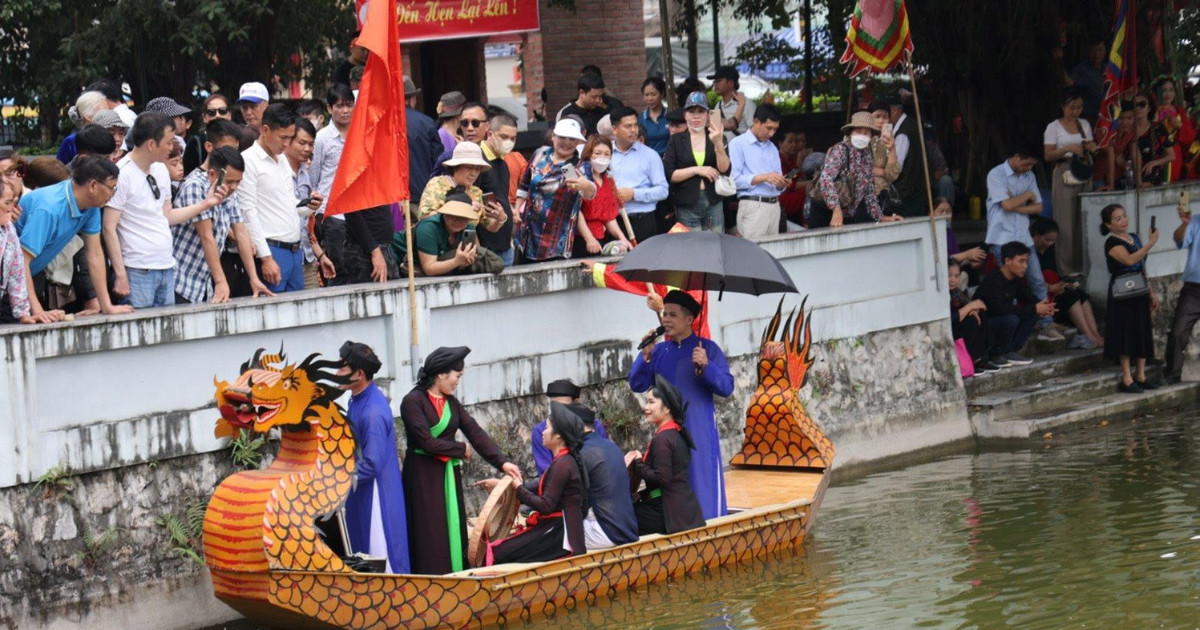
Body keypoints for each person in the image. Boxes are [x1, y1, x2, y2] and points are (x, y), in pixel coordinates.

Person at [400, 346, 522, 574]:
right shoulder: (412, 402)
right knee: (430, 530)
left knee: (452, 526)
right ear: (440, 374)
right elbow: (426, 442)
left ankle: (456, 571)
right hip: (423, 476)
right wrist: (460, 448)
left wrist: (503, 463)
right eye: (457, 376)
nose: (457, 381)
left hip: (447, 473)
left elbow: (476, 434)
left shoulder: (451, 403)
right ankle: (432, 577)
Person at [104, 112, 226, 308]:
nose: (172, 147)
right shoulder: (122, 174)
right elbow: (109, 227)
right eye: (169, 142)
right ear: (151, 144)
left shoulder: (160, 169)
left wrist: (206, 204)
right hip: (137, 269)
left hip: (167, 266)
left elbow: (167, 215)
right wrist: (120, 274)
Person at [629, 290, 733, 519]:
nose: (665, 319)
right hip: (668, 433)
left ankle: (711, 523)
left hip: (698, 428)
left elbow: (726, 387)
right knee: (670, 480)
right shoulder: (659, 351)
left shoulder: (708, 349)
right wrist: (644, 356)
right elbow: (637, 383)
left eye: (673, 315)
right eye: (665, 314)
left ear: (689, 319)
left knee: (702, 477)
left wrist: (707, 367)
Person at [17, 155, 132, 318]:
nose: (113, 193)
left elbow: (95, 254)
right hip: (10, 277)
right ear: (93, 185)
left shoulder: (91, 205)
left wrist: (106, 306)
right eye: (112, 188)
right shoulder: (49, 209)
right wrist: (37, 311)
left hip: (24, 277)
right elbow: (22, 261)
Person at [333, 341, 411, 573]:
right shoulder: (358, 398)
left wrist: (337, 479)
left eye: (343, 368)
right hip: (361, 489)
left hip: (377, 495)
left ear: (358, 374)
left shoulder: (372, 412)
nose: (337, 372)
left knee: (379, 555)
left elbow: (371, 464)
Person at [483, 402, 589, 564]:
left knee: (499, 553)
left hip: (561, 536)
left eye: (546, 428)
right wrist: (507, 485)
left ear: (558, 436)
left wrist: (518, 487)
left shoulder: (563, 464)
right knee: (504, 548)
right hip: (556, 527)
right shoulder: (563, 461)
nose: (543, 432)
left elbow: (546, 506)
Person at [171, 146, 270, 304]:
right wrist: (220, 281)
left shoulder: (230, 192)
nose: (234, 187)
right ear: (212, 174)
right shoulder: (195, 187)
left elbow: (241, 232)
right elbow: (206, 236)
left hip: (202, 282)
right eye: (230, 181)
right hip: (180, 279)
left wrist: (254, 279)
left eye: (238, 182)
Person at [241, 104, 322, 293]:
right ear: (265, 130)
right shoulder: (248, 160)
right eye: (283, 137)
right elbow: (248, 214)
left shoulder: (283, 160)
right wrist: (266, 258)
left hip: (295, 250)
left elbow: (290, 204)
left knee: (298, 317)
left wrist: (310, 206)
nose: (286, 144)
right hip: (272, 250)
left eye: (290, 138)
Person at [984, 141, 1060, 341]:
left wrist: (1015, 205)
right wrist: (1025, 196)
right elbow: (1008, 204)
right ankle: (1016, 324)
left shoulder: (1029, 176)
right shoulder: (996, 174)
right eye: (1026, 164)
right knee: (1011, 285)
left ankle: (1045, 323)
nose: (1029, 168)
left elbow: (1037, 207)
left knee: (1036, 279)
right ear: (1016, 157)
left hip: (1024, 238)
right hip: (1002, 238)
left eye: (1032, 165)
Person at [625, 375, 706, 534]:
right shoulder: (674, 432)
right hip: (683, 509)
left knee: (623, 519)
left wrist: (639, 463)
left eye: (651, 402)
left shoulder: (663, 439)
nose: (646, 407)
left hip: (671, 513)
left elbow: (662, 478)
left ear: (667, 408)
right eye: (647, 401)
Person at [515, 118, 597, 262]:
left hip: (556, 238)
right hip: (527, 233)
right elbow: (524, 186)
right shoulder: (540, 154)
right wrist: (516, 210)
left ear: (578, 142)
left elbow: (590, 193)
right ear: (553, 136)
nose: (566, 142)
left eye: (572, 138)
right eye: (562, 137)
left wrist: (585, 185)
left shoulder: (580, 166)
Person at [1099, 204, 1159, 392]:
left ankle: (1141, 374)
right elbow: (1130, 260)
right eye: (1117, 219)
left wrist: (1150, 292)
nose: (1123, 220)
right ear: (1109, 225)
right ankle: (1126, 378)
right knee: (1125, 332)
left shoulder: (1134, 237)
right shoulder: (1111, 243)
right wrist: (1150, 243)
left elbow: (1141, 266)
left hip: (1139, 288)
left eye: (1124, 216)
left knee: (1141, 330)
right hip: (1122, 291)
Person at [809, 112, 903, 228]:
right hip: (825, 211)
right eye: (858, 131)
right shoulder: (840, 149)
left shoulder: (867, 154)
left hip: (847, 214)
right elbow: (826, 179)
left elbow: (868, 190)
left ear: (871, 136)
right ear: (850, 132)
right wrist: (836, 209)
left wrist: (881, 217)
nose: (862, 135)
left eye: (866, 133)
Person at [976, 242, 1057, 367]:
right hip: (984, 326)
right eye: (1021, 261)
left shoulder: (1015, 279)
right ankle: (996, 354)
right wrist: (1034, 308)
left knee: (1032, 314)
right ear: (1008, 261)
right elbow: (1001, 309)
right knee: (1011, 319)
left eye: (1026, 262)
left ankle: (1010, 351)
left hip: (1002, 319)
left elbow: (1028, 297)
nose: (1025, 266)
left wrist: (1044, 307)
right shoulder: (993, 280)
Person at [1044, 86, 1096, 275]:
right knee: (1065, 223)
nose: (1075, 112)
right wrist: (1067, 149)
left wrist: (1090, 147)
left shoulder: (1084, 125)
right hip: (1064, 171)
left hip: (1082, 171)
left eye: (1079, 107)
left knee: (1083, 221)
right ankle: (1066, 269)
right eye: (1072, 107)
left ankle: (1083, 267)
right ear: (1063, 106)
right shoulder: (1053, 127)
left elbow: (1089, 147)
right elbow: (1048, 155)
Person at [662, 92, 731, 233]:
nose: (696, 116)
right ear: (685, 115)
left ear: (707, 115)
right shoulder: (676, 140)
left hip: (713, 200)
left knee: (714, 246)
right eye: (691, 111)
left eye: (701, 111)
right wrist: (698, 170)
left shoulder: (717, 136)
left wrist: (717, 142)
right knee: (690, 249)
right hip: (687, 203)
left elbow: (725, 170)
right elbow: (670, 174)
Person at [1031, 218, 1104, 349]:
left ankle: (1095, 333)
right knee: (1072, 298)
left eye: (1053, 241)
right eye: (1047, 240)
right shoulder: (1030, 254)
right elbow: (1031, 281)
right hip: (1043, 298)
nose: (1050, 244)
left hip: (1055, 292)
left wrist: (1064, 284)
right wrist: (1050, 287)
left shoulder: (1049, 252)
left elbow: (1054, 274)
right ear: (1036, 235)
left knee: (1081, 295)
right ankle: (1089, 335)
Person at [310, 84, 355, 286]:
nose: (345, 110)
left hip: (357, 209)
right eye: (339, 106)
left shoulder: (359, 134)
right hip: (331, 212)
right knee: (337, 269)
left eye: (348, 105)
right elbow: (314, 175)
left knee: (356, 266)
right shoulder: (321, 139)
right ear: (329, 109)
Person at [396, 193, 500, 277]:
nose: (457, 221)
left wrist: (468, 260)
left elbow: (475, 253)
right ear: (444, 214)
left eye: (463, 217)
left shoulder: (469, 227)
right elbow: (429, 268)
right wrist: (456, 261)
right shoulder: (428, 227)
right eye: (452, 216)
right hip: (393, 258)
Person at [608, 106, 668, 243]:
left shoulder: (650, 155)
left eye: (635, 125)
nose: (633, 130)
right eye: (628, 126)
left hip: (643, 220)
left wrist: (634, 194)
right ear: (615, 129)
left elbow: (663, 191)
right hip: (613, 222)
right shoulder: (605, 153)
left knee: (644, 263)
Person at [729, 105, 790, 238]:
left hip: (774, 206)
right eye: (769, 128)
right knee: (752, 255)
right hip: (753, 205)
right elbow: (734, 181)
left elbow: (777, 182)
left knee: (772, 255)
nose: (771, 133)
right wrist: (763, 177)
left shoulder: (772, 147)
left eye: (775, 129)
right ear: (756, 122)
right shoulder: (738, 144)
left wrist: (782, 183)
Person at [530, 379, 609, 474]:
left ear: (575, 404)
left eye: (563, 406)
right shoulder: (541, 431)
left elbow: (605, 459)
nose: (558, 411)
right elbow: (546, 471)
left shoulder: (594, 426)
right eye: (554, 406)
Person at [574, 136, 632, 256]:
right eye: (598, 153)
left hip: (601, 237)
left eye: (607, 154)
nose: (603, 158)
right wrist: (589, 238)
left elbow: (609, 217)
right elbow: (575, 212)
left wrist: (623, 239)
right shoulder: (580, 176)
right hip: (580, 238)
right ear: (588, 154)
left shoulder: (608, 181)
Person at [1166, 198, 1200, 384]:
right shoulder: (1195, 221)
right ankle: (1172, 373)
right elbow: (1179, 239)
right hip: (1194, 289)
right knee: (1179, 331)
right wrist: (1184, 224)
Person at [479, 111, 520, 265]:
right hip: (487, 247)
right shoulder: (478, 162)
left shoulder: (502, 163)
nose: (508, 142)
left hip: (505, 244)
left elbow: (502, 197)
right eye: (504, 137)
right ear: (490, 134)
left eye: (513, 138)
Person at [404, 76, 443, 218]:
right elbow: (439, 162)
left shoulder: (381, 124)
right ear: (412, 99)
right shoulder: (426, 123)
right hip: (422, 195)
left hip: (392, 200)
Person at [881, 93, 925, 217]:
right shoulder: (909, 125)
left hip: (907, 194)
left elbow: (895, 169)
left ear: (894, 110)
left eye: (884, 115)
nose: (883, 120)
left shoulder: (903, 132)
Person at [948, 258, 994, 373]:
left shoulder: (956, 293)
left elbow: (964, 308)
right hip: (950, 332)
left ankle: (983, 359)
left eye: (956, 276)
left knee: (979, 314)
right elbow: (950, 319)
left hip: (959, 330)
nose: (953, 280)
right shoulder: (941, 294)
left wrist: (972, 309)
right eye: (949, 275)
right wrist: (970, 307)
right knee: (969, 320)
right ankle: (974, 360)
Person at [0, 178, 36, 323]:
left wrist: (23, 314)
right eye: (7, 203)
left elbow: (17, 273)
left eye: (13, 203)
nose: (11, 208)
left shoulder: (9, 230)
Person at [1149, 76, 1196, 182]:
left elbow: (1191, 138)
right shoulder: (1151, 112)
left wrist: (1179, 125)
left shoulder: (1180, 111)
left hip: (1176, 155)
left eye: (1171, 90)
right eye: (1164, 90)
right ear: (1157, 92)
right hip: (1157, 153)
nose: (1168, 94)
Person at [1132, 92, 1175, 187]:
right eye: (1135, 105)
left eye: (1142, 105)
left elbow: (1172, 156)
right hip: (1130, 178)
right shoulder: (1127, 129)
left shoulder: (1158, 128)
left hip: (1153, 179)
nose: (1138, 108)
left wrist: (1154, 163)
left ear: (1149, 108)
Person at [57, 91, 111, 165]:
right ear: (88, 116)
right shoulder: (71, 141)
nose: (109, 115)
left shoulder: (112, 136)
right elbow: (60, 171)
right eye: (104, 111)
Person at [184, 93, 233, 173]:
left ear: (229, 115)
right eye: (211, 112)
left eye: (222, 111)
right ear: (204, 118)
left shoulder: (238, 140)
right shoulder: (196, 143)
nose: (217, 115)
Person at [708, 66, 754, 145]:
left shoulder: (746, 104)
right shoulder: (717, 106)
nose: (715, 84)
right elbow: (714, 132)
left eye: (719, 81)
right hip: (723, 154)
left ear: (731, 83)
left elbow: (755, 131)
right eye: (715, 81)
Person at [557, 72, 610, 136]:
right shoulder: (568, 113)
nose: (598, 100)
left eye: (600, 96)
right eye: (594, 97)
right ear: (581, 92)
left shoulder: (601, 111)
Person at [639, 77, 670, 155]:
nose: (650, 98)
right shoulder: (640, 119)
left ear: (662, 94)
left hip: (668, 161)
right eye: (646, 95)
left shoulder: (670, 116)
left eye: (653, 94)